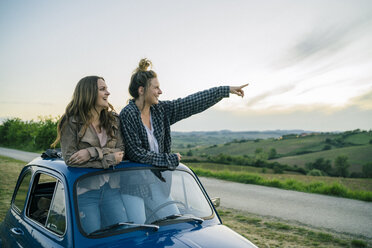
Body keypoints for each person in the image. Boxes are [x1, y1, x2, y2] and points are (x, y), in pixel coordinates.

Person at [119, 58, 248, 169]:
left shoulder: (160, 110)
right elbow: (137, 153)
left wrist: (224, 90)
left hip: (159, 182)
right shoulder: (128, 114)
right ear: (141, 90)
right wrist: (169, 159)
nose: (160, 92)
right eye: (156, 87)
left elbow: (192, 103)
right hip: (135, 187)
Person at [52, 76, 126, 234]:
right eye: (102, 89)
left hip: (112, 190)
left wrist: (91, 152)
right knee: (92, 238)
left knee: (122, 233)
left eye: (106, 88)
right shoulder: (70, 122)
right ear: (89, 93)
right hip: (85, 193)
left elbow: (120, 152)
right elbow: (71, 160)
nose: (108, 92)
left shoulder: (113, 120)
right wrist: (108, 158)